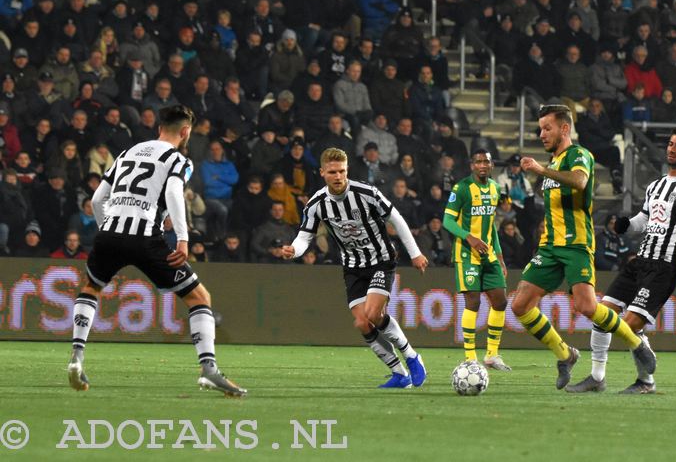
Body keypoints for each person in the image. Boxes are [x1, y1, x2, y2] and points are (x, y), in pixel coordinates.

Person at [66, 105, 246, 397]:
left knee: (91, 287)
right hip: (146, 238)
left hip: (110, 233)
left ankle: (76, 356)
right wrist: (183, 237)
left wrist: (108, 231)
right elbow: (174, 192)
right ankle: (209, 370)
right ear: (185, 131)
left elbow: (99, 198)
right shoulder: (178, 158)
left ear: (159, 126)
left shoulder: (127, 152)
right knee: (199, 297)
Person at [510, 104, 656, 390]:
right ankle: (565, 355)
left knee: (587, 307)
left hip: (576, 244)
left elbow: (579, 181)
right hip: (549, 247)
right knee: (520, 305)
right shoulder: (552, 163)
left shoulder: (579, 155)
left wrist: (541, 170)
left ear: (564, 129)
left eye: (547, 128)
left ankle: (637, 344)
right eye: (540, 128)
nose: (542, 134)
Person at [567, 127, 676, 394]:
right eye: (670, 144)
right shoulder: (655, 186)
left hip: (664, 267)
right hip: (640, 260)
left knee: (630, 324)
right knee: (602, 313)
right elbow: (644, 221)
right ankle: (598, 378)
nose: (672, 149)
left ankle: (645, 381)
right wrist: (625, 225)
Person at [281, 147, 429, 389]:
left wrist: (415, 253)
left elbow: (397, 219)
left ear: (347, 170)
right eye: (332, 172)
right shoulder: (316, 204)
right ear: (322, 173)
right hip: (352, 267)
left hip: (381, 260)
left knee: (373, 314)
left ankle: (412, 356)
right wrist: (294, 251)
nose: (338, 176)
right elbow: (304, 237)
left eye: (342, 171)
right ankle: (399, 373)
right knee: (362, 323)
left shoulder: (366, 193)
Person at [442, 149, 510, 371]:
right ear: (472, 165)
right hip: (466, 254)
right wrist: (469, 238)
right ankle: (470, 357)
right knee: (473, 302)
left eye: (486, 162)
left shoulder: (495, 188)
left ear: (491, 166)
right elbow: (448, 221)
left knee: (500, 301)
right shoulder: (461, 188)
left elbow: (491, 227)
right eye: (478, 162)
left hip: (489, 254)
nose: (482, 165)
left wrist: (499, 257)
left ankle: (491, 355)